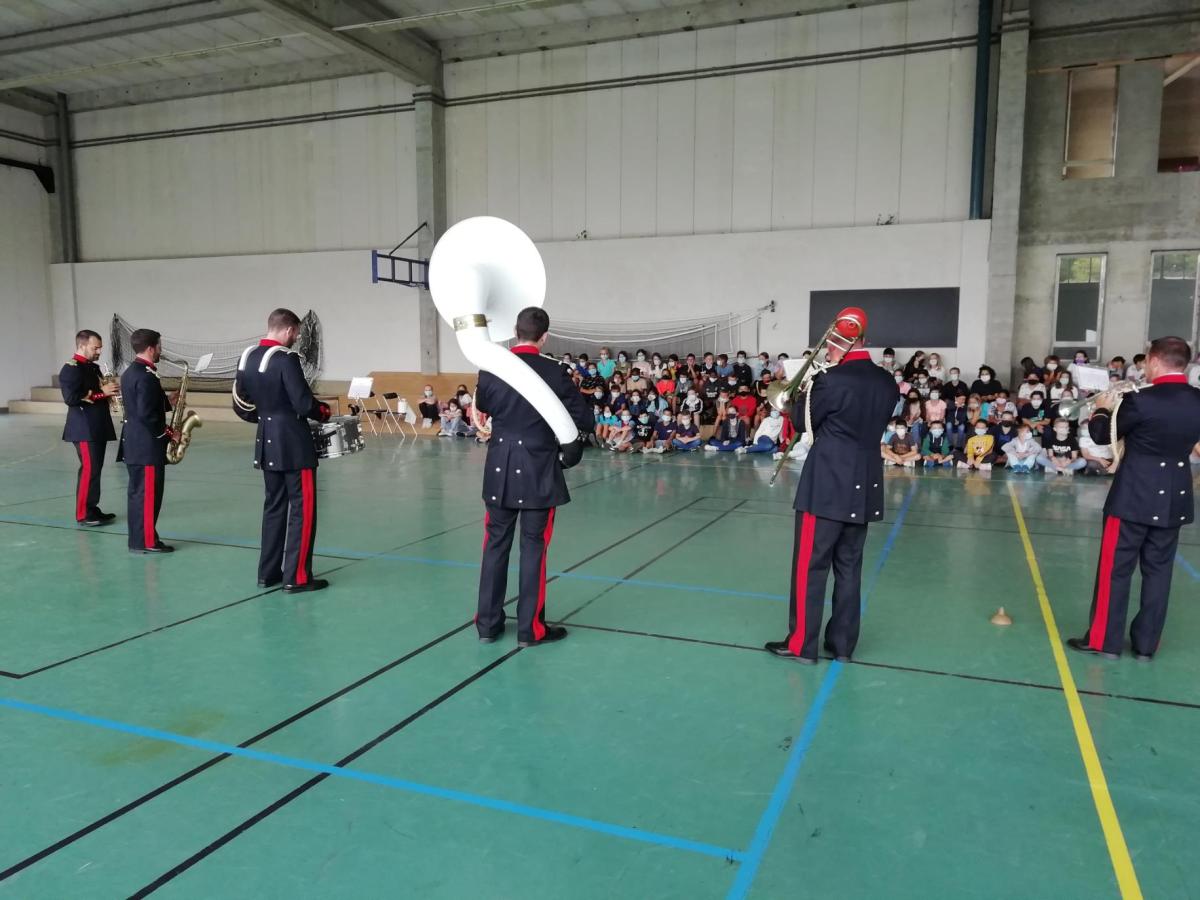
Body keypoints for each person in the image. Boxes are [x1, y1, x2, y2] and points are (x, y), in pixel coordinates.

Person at [764, 314, 897, 664]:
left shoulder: (829, 380)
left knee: (811, 566)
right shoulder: (887, 382)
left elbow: (800, 423)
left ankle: (801, 645)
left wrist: (803, 390)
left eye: (831, 344)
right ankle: (842, 646)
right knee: (849, 567)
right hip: (864, 484)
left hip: (826, 485)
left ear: (839, 342)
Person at [1067, 337, 1200, 660]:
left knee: (1116, 570)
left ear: (1154, 360)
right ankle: (1145, 646)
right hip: (1174, 496)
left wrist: (1101, 409)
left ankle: (1105, 641)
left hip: (1134, 496)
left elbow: (1101, 436)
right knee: (1159, 572)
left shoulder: (1141, 400)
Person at [473, 307, 592, 647]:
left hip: (500, 466)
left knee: (494, 545)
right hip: (539, 467)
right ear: (544, 337)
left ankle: (488, 625)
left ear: (515, 331)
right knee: (533, 548)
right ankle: (530, 630)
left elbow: (485, 405)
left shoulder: (492, 366)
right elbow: (582, 420)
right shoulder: (555, 371)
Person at [231, 309, 333, 590]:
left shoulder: (247, 356)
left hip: (266, 442)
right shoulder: (286, 360)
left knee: (274, 507)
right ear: (288, 330)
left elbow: (240, 404)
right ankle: (297, 577)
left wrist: (266, 418)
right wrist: (324, 412)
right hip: (293, 445)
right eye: (296, 333)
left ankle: (269, 573)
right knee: (303, 510)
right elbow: (303, 403)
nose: (297, 337)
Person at [119, 329, 175, 554]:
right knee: (149, 496)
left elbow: (141, 405)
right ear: (151, 348)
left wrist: (167, 402)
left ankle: (137, 540)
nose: (161, 351)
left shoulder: (131, 372)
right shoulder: (146, 376)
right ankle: (148, 541)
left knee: (137, 495)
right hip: (147, 446)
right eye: (160, 346)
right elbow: (147, 414)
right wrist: (170, 434)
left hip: (133, 444)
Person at [60, 329, 118, 527]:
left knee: (95, 469)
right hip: (84, 428)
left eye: (100, 347)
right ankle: (83, 513)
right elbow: (71, 398)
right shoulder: (72, 368)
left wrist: (108, 394)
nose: (99, 351)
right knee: (88, 469)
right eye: (96, 347)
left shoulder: (92, 368)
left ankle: (92, 508)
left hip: (97, 425)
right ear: (82, 345)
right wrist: (102, 393)